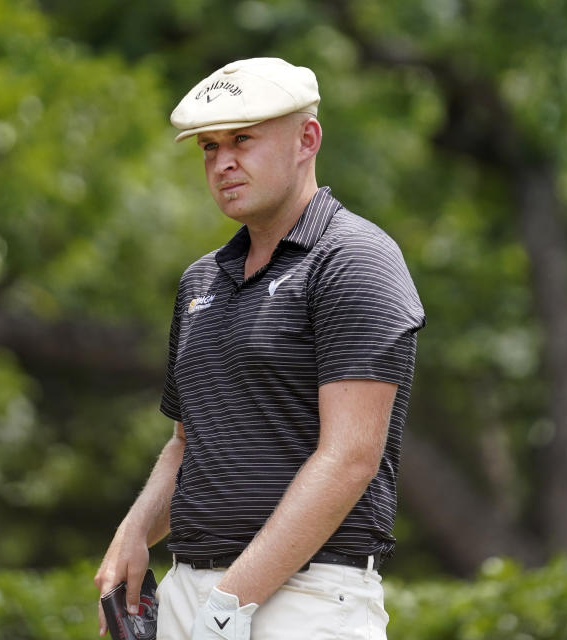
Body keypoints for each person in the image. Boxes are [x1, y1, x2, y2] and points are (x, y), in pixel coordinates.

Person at [95, 57, 425, 640]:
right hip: (192, 594)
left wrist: (230, 603)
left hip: (308, 599)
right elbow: (186, 444)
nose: (223, 162)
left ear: (307, 138)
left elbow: (349, 459)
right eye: (209, 148)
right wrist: (133, 533)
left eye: (242, 140)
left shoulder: (354, 258)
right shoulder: (201, 280)